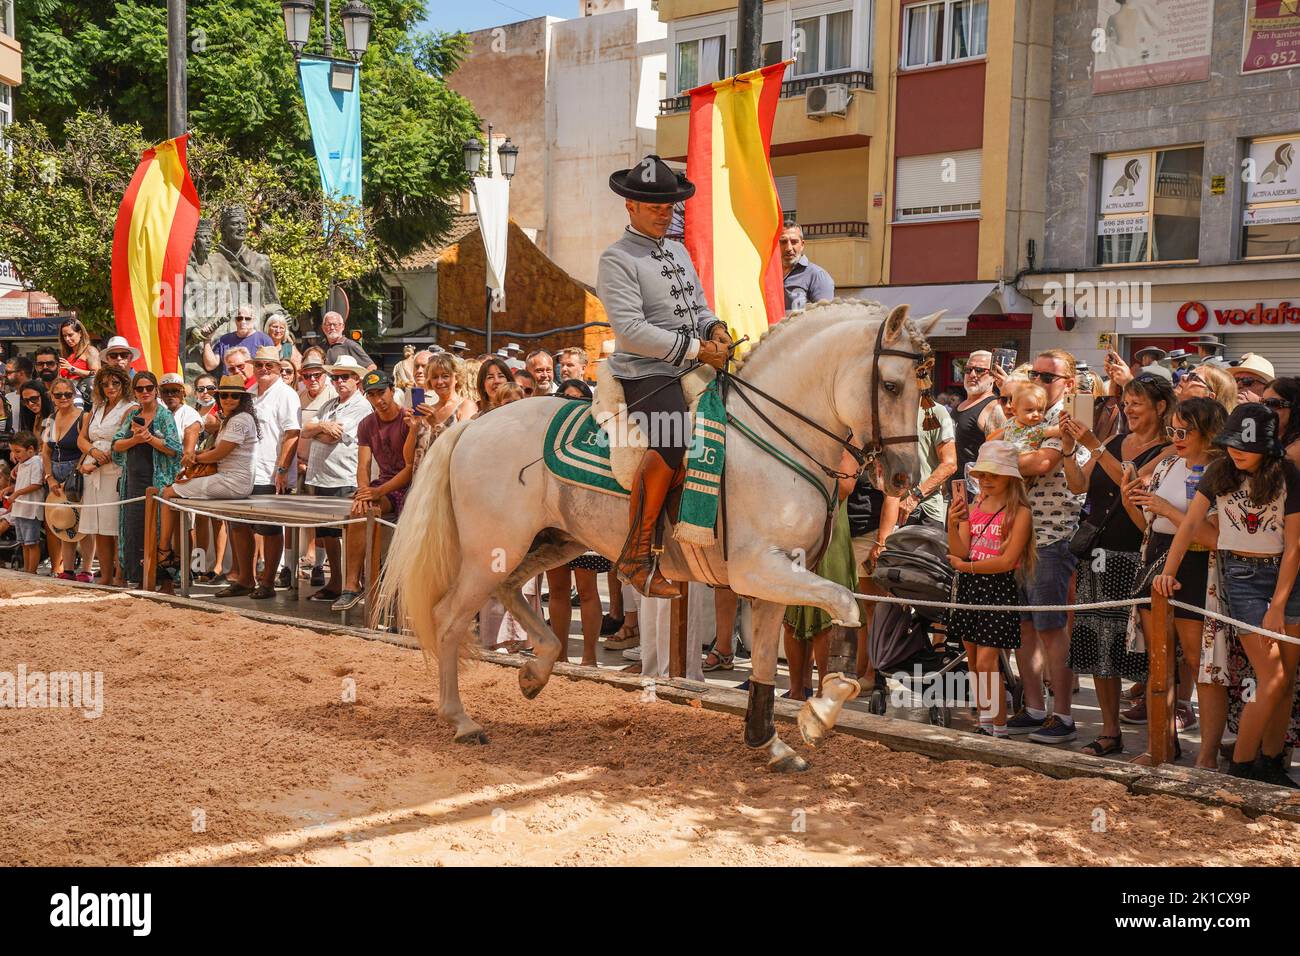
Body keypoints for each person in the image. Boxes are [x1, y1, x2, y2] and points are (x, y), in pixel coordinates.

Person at [598, 154, 732, 597]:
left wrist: (715, 328)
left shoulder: (677, 250)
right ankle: (636, 557)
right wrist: (697, 349)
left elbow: (698, 307)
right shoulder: (616, 258)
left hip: (694, 362)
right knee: (673, 437)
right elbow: (632, 331)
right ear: (629, 205)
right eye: (653, 204)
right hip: (644, 371)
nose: (663, 211)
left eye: (669, 205)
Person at [1154, 403, 1300, 786]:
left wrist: (1280, 604)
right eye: (1233, 442)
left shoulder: (1287, 474)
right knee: (1271, 676)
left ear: (1268, 447)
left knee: (1284, 680)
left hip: (1287, 576)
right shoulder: (1220, 471)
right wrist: (1168, 572)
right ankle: (1240, 765)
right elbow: (1190, 524)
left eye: (1246, 445)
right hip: (1241, 575)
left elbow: (1295, 546)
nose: (1237, 450)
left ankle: (1271, 762)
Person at [1060, 372, 1173, 756]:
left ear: (1160, 407)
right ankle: (1110, 732)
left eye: (1137, 402)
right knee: (1095, 643)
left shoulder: (1169, 449)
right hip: (1097, 554)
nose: (1129, 409)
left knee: (1143, 649)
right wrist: (1067, 449)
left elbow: (1133, 484)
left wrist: (1092, 444)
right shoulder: (1114, 440)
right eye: (1126, 402)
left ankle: (1163, 739)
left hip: (1138, 553)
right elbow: (1077, 485)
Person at [1122, 397, 1228, 767]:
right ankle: (1159, 744)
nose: (1176, 438)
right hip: (1157, 558)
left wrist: (1167, 510)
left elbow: (1216, 538)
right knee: (1158, 660)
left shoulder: (1222, 471)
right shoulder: (1167, 463)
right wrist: (1131, 501)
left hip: (1201, 563)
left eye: (1184, 431)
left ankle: (1208, 755)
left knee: (1201, 661)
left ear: (1208, 432)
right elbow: (1149, 528)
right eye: (1172, 430)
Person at [1006, 349, 1088, 743]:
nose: (1038, 381)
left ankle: (1064, 716)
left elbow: (1041, 465)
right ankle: (1035, 707)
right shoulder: (1024, 415)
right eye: (1034, 374)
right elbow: (995, 450)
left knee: (1052, 628)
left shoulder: (1065, 420)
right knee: (1024, 625)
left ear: (1068, 383)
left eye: (1048, 376)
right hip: (1020, 535)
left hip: (1053, 536)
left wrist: (1001, 460)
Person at [945, 440, 1035, 737]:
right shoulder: (975, 506)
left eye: (993, 475)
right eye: (982, 474)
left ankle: (999, 727)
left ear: (1009, 478)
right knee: (972, 659)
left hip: (996, 587)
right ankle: (986, 721)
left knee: (987, 660)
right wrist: (952, 523)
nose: (985, 480)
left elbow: (1007, 562)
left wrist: (965, 566)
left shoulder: (1020, 512)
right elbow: (960, 549)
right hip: (971, 584)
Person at [157, 375, 260, 586]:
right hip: (226, 477)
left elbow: (219, 453)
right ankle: (188, 562)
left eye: (234, 396)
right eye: (224, 395)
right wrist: (196, 457)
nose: (228, 399)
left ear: (242, 399)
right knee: (216, 522)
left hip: (231, 480)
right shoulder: (232, 418)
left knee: (168, 493)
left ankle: (164, 551)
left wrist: (193, 457)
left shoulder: (239, 419)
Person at [332, 371, 417, 612]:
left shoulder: (407, 419)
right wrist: (363, 491)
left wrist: (376, 493)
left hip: (409, 487)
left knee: (366, 513)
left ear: (392, 390)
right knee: (359, 512)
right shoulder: (367, 424)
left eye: (381, 392)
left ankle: (363, 587)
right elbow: (363, 466)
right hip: (383, 485)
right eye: (372, 394)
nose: (378, 399)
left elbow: (410, 469)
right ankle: (351, 586)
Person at [301, 357, 371, 603]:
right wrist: (322, 426)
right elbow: (305, 431)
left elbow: (333, 437)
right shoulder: (329, 404)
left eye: (345, 377)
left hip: (344, 476)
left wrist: (316, 429)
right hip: (321, 476)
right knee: (328, 534)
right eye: (336, 377)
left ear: (356, 379)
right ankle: (337, 582)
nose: (339, 381)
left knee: (351, 533)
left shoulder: (361, 407)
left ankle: (354, 584)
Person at [238, 346, 302, 599]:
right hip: (244, 471)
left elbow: (292, 433)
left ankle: (267, 582)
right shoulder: (249, 393)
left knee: (270, 529)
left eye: (269, 365)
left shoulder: (286, 394)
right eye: (259, 364)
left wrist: (282, 469)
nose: (264, 369)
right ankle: (245, 578)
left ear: (278, 368)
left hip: (270, 473)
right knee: (239, 526)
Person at [110, 370, 181, 588]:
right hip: (133, 481)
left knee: (160, 533)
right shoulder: (133, 416)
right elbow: (116, 445)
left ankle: (165, 581)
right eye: (139, 389)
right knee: (134, 530)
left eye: (148, 388)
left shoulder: (164, 416)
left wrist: (148, 438)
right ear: (134, 392)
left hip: (156, 480)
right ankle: (141, 578)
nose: (144, 392)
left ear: (155, 390)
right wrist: (135, 439)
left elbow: (174, 449)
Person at [77, 367, 134, 586]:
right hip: (93, 470)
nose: (110, 388)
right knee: (98, 526)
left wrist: (101, 460)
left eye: (115, 383)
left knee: (115, 525)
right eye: (105, 384)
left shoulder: (131, 408)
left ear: (124, 385)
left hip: (115, 470)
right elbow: (82, 439)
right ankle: (106, 574)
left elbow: (124, 440)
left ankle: (121, 575)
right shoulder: (96, 409)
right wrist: (92, 454)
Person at [41, 378, 85, 579]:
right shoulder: (50, 419)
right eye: (58, 395)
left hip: (77, 475)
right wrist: (50, 478)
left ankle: (86, 570)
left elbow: (85, 450)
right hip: (56, 477)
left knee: (84, 524)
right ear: (52, 397)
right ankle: (67, 569)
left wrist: (72, 476)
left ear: (74, 394)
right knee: (65, 521)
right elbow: (45, 453)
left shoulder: (84, 417)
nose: (63, 398)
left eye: (68, 394)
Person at [953, 351, 1007, 490]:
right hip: (955, 490)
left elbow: (998, 455)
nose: (972, 375)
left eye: (980, 370)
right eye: (968, 369)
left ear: (994, 376)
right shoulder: (960, 406)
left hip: (978, 492)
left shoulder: (994, 407)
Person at [3, 432, 44, 573]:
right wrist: (10, 489)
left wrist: (17, 493)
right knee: (24, 543)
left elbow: (36, 484)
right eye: (13, 451)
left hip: (31, 511)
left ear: (31, 449)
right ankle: (27, 571)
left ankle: (32, 571)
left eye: (18, 451)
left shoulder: (36, 462)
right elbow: (22, 484)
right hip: (20, 509)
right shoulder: (22, 464)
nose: (15, 454)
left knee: (32, 543)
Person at [779, 222, 835, 315]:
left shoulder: (817, 275)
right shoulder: (767, 275)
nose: (788, 248)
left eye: (794, 242)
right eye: (783, 242)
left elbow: (825, 318)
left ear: (802, 245)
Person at [203, 305, 272, 374]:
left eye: (247, 318)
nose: (243, 322)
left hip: (254, 383)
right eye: (239, 318)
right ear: (235, 320)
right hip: (230, 383)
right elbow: (210, 366)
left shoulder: (264, 340)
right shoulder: (225, 340)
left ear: (253, 319)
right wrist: (207, 340)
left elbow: (271, 367)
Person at [57, 317, 100, 387]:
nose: (67, 339)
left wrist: (72, 369)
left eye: (70, 335)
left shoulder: (90, 350)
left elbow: (97, 374)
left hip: (85, 394)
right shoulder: (68, 355)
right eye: (64, 336)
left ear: (80, 333)